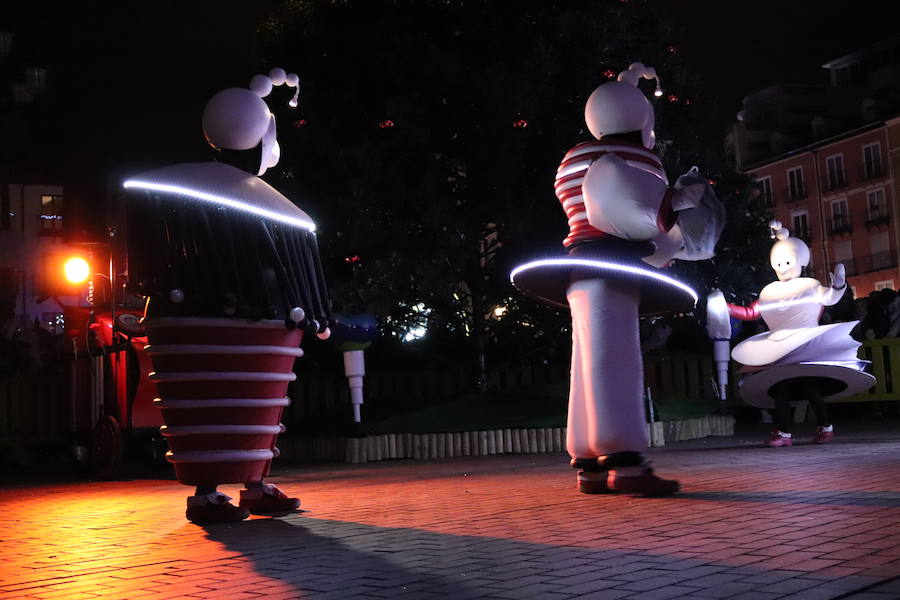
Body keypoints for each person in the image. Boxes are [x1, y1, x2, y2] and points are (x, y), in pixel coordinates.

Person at [512, 62, 725, 495]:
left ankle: (588, 463)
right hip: (613, 267)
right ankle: (624, 461)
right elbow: (644, 213)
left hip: (578, 267)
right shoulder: (639, 158)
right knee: (617, 360)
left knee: (587, 361)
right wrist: (683, 199)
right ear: (640, 117)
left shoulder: (573, 157)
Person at [710, 220, 874, 447]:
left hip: (806, 344)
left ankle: (825, 427)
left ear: (800, 261)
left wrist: (838, 286)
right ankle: (783, 433)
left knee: (809, 386)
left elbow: (829, 298)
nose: (783, 267)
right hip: (778, 345)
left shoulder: (809, 285)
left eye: (787, 261)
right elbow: (751, 312)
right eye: (778, 263)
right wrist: (727, 308)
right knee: (781, 388)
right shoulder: (770, 291)